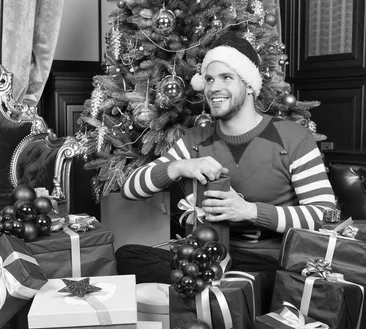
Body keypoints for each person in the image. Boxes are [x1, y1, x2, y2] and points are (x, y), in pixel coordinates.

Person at [116, 31, 336, 285]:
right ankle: (213, 290)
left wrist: (249, 211)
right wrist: (177, 167)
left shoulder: (292, 137)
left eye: (226, 78)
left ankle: (219, 292)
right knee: (128, 256)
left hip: (268, 260)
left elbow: (324, 214)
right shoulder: (196, 139)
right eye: (209, 79)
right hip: (208, 255)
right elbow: (130, 189)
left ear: (250, 84)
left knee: (243, 281)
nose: (214, 88)